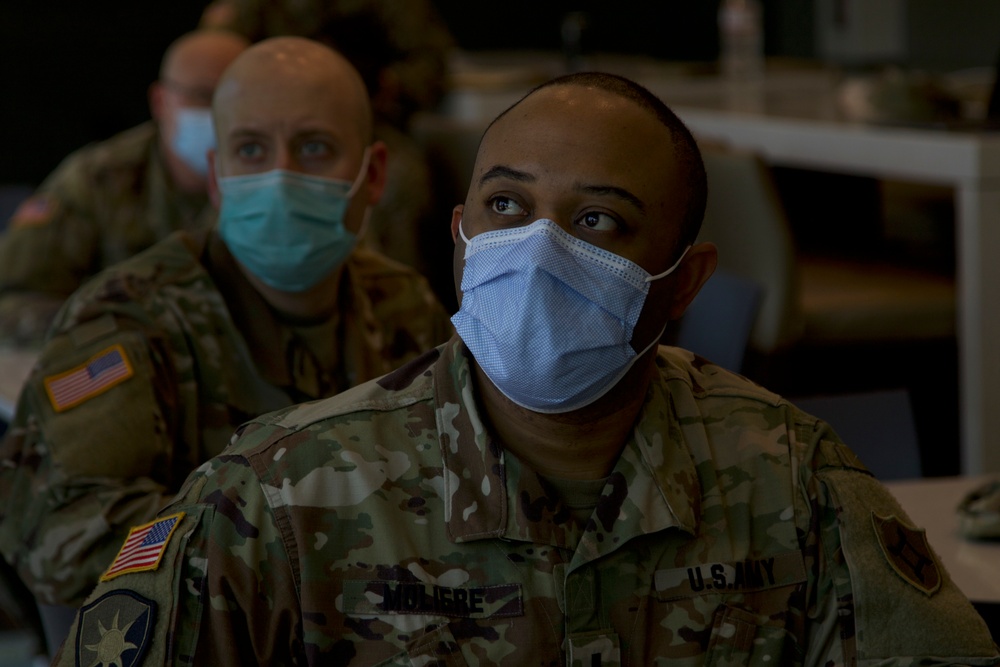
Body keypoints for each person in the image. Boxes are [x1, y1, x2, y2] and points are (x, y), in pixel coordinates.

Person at [53, 72, 999, 665]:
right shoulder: (278, 501)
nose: (536, 248)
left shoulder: (794, 484)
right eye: (506, 204)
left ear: (683, 281)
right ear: (460, 235)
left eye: (597, 222)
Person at [0, 36, 452, 653]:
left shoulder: (401, 304)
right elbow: (63, 534)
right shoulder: (130, 321)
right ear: (217, 177)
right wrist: (307, 555)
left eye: (314, 147)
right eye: (251, 149)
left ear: (371, 176)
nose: (280, 175)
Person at [0, 29, 249, 347]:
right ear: (161, 101)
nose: (218, 113)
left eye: (234, 98)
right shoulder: (98, 179)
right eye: (202, 96)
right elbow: (14, 296)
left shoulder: (275, 182)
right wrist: (114, 331)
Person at [199, 0, 457, 289]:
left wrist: (392, 84)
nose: (283, 172)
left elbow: (432, 62)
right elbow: (216, 49)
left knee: (403, 177)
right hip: (265, 114)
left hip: (358, 114)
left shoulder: (394, 7)